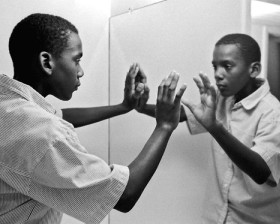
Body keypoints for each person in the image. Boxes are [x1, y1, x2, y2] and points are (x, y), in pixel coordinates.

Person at [0, 13, 186, 223]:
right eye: (76, 60)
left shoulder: (11, 105)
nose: (81, 71)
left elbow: (60, 117)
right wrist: (165, 125)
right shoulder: (41, 131)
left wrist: (123, 106)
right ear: (47, 62)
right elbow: (124, 196)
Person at [137, 33, 280, 223]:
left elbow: (261, 171)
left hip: (264, 218)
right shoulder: (224, 100)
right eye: (215, 66)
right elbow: (184, 114)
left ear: (253, 69)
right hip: (222, 216)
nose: (218, 74)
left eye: (227, 66)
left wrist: (215, 127)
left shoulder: (272, 115)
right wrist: (140, 107)